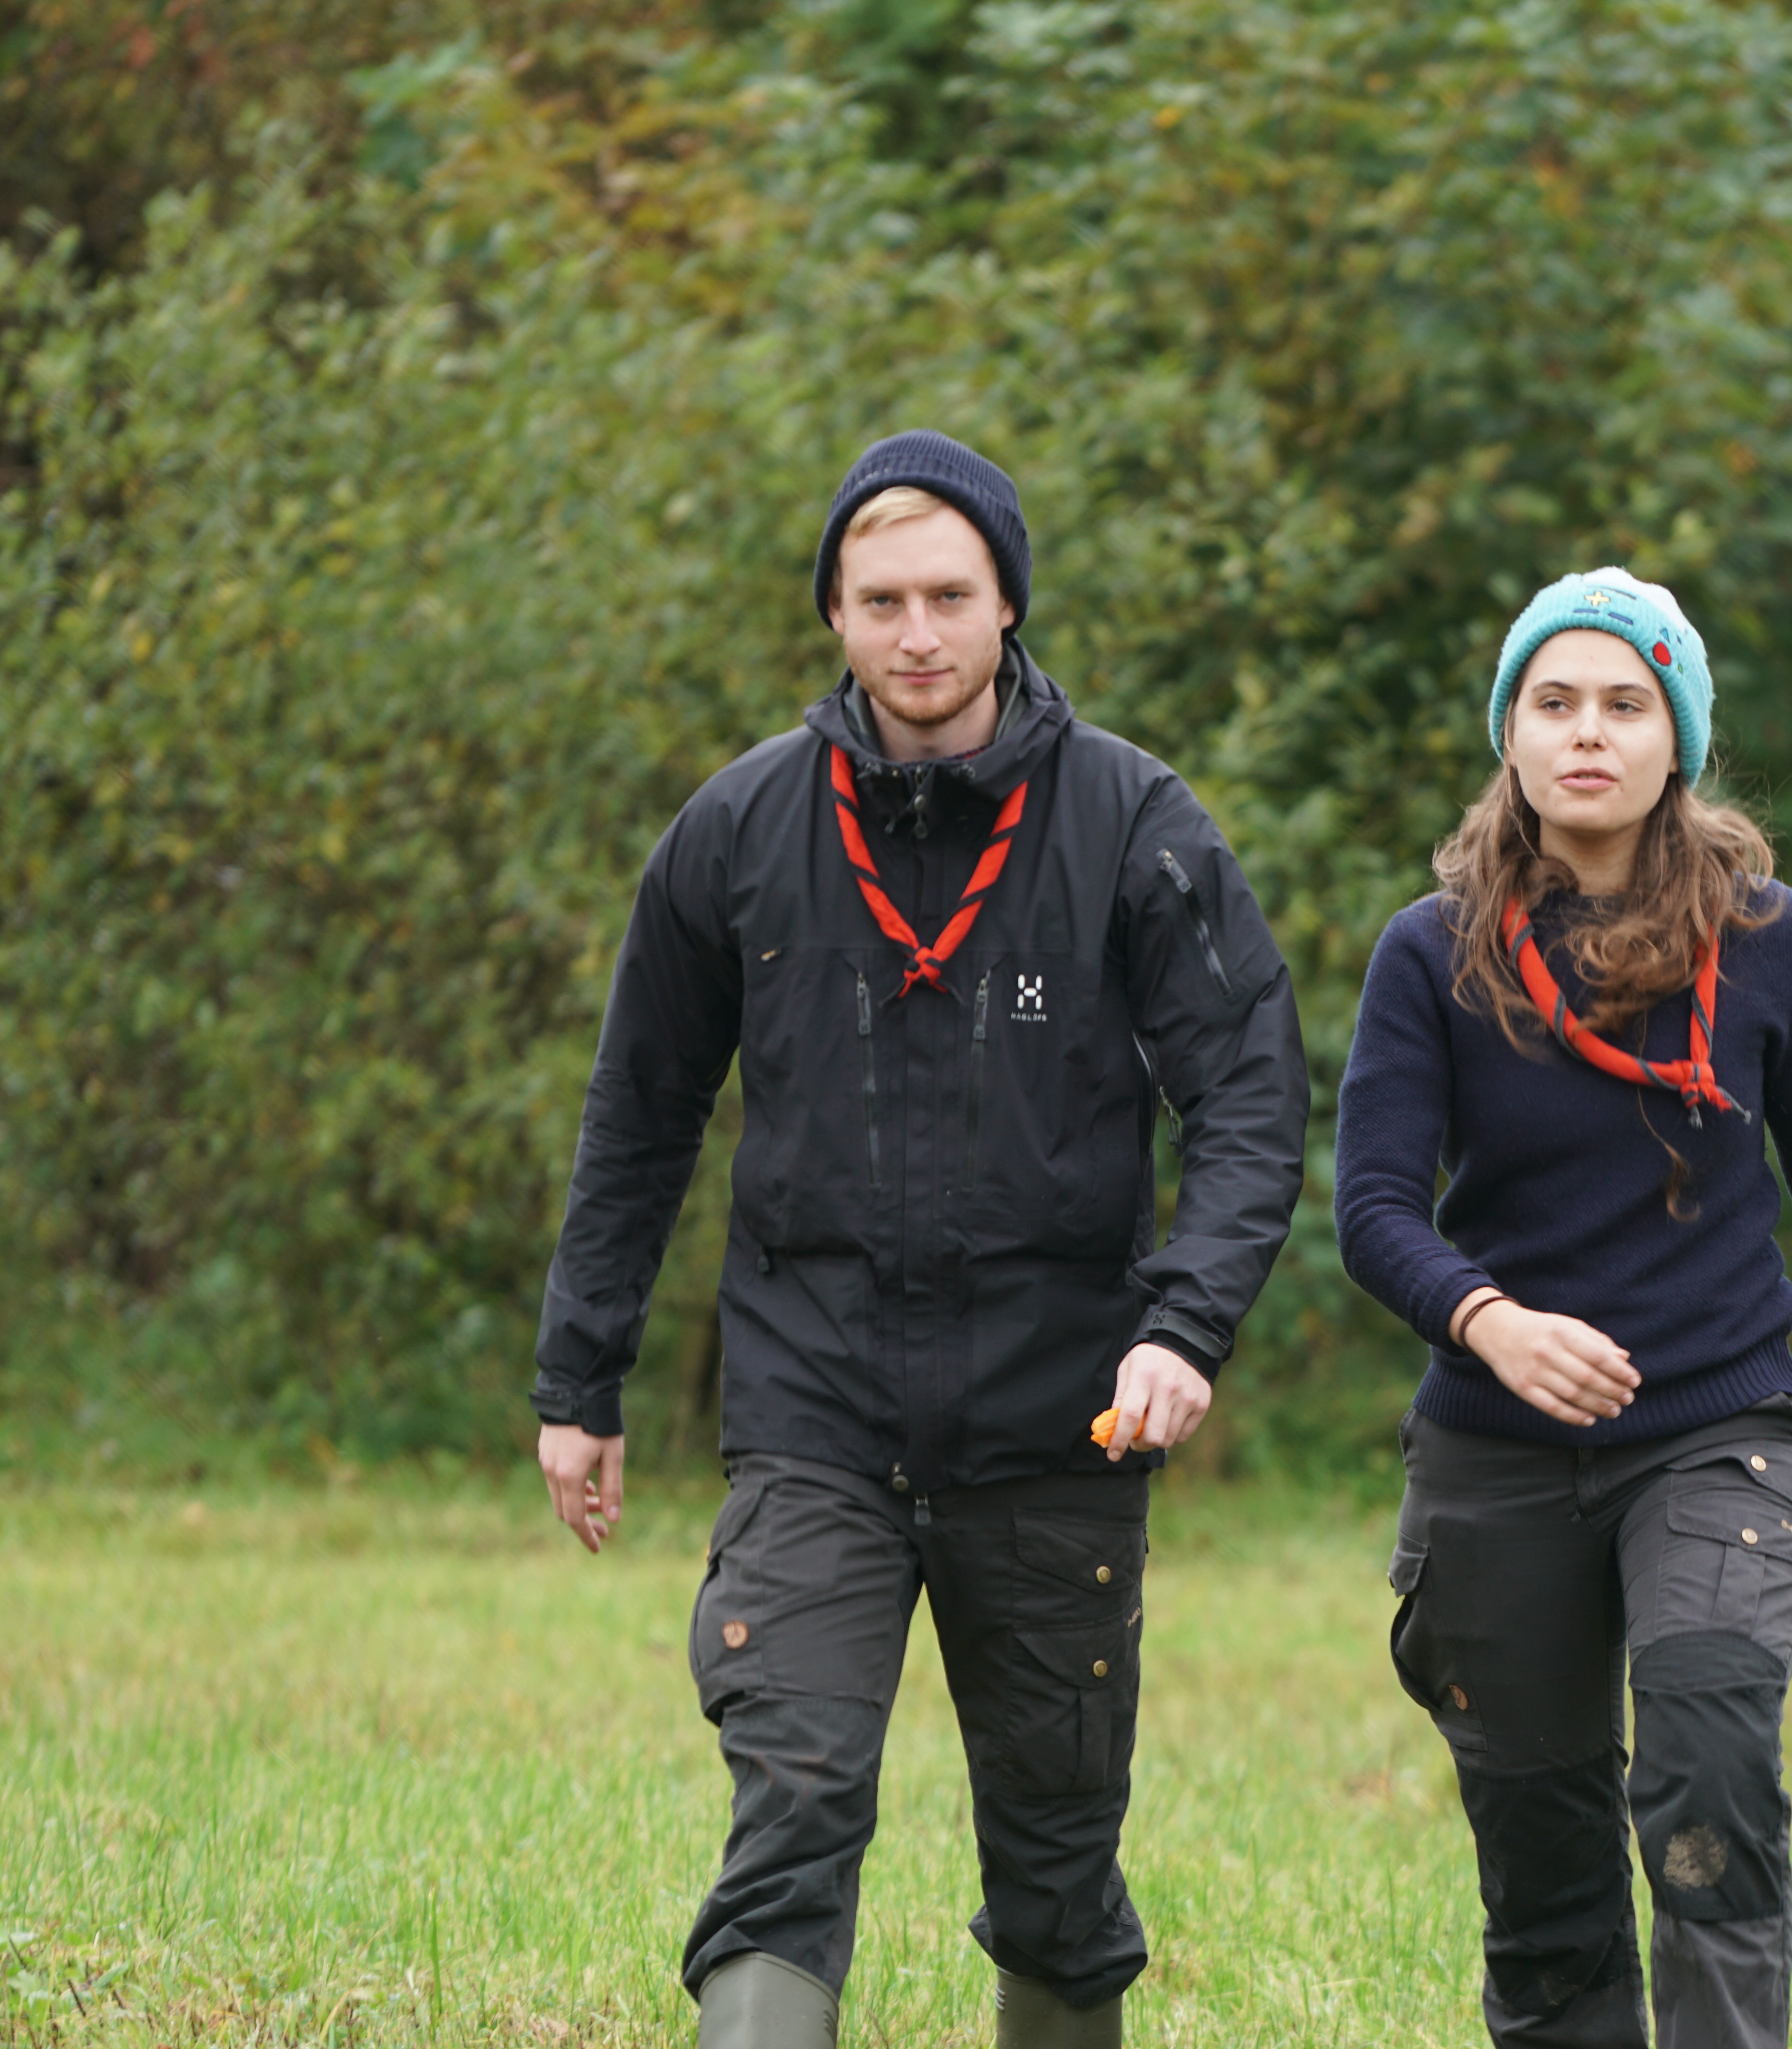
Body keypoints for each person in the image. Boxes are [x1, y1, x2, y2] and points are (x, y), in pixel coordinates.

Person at [530, 431, 1309, 2049]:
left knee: (1058, 1865)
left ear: (1009, 601)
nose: (918, 634)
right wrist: (579, 1378)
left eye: (950, 595)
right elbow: (640, 1112)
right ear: (834, 613)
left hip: (1059, 1423)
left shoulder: (1134, 822)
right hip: (816, 1415)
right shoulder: (740, 829)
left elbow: (1250, 1098)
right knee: (793, 1804)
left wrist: (1185, 1327)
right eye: (880, 600)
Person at [1333, 568, 1792, 2049]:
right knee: (1544, 1864)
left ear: (1678, 741)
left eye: (1626, 705)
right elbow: (1372, 1210)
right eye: (1555, 702)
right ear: (1511, 734)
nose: (1589, 732)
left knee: (1707, 1774)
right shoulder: (1429, 952)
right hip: (1494, 1450)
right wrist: (1491, 1321)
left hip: (1720, 1433)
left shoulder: (1768, 941)